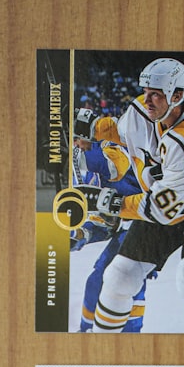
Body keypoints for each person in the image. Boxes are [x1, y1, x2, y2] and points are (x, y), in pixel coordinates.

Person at [83, 58, 184, 333]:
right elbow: (123, 132)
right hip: (167, 200)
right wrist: (89, 126)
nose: (147, 99)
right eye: (146, 91)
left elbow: (160, 210)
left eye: (156, 94)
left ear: (177, 95)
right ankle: (101, 354)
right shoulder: (145, 110)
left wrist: (110, 203)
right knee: (118, 277)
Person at [70, 108, 148, 332]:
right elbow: (105, 222)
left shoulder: (112, 143)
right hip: (128, 223)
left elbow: (115, 168)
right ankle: (85, 332)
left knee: (127, 279)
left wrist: (75, 157)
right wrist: (80, 234)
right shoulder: (87, 172)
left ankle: (131, 336)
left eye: (77, 138)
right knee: (96, 280)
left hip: (148, 218)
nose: (76, 144)